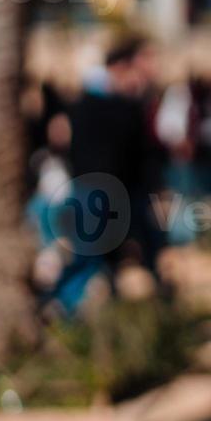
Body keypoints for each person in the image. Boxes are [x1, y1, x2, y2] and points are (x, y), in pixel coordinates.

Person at [66, 37, 165, 282]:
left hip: (114, 191)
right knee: (89, 258)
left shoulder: (113, 102)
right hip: (102, 191)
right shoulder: (103, 103)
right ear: (123, 68)